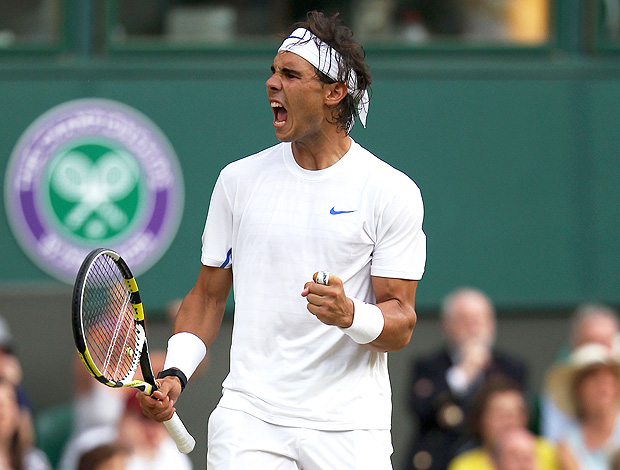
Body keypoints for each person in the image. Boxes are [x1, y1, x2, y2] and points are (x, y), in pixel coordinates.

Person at [138, 10, 426, 470]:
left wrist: (351, 314)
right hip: (250, 417)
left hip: (350, 429)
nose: (272, 83)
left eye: (291, 75)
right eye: (273, 72)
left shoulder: (390, 192)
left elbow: (401, 322)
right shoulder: (238, 181)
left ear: (334, 93)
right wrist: (176, 371)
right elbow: (208, 298)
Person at [403, 287, 527, 470]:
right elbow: (421, 409)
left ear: (492, 324)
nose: (474, 328)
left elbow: (519, 419)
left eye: (480, 319)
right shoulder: (428, 366)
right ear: (447, 325)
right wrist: (461, 374)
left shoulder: (511, 367)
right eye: (465, 320)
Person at [540, 303, 620, 442]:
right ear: (575, 343)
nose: (598, 349)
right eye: (591, 341)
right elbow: (555, 442)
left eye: (605, 342)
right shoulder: (556, 389)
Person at [447, 377, 558, 470]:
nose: (510, 422)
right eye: (500, 414)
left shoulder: (551, 453)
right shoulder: (464, 466)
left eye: (515, 413)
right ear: (480, 420)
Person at [545, 342, 620, 470]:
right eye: (593, 377)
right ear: (577, 390)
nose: (603, 384)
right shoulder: (566, 445)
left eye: (608, 377)